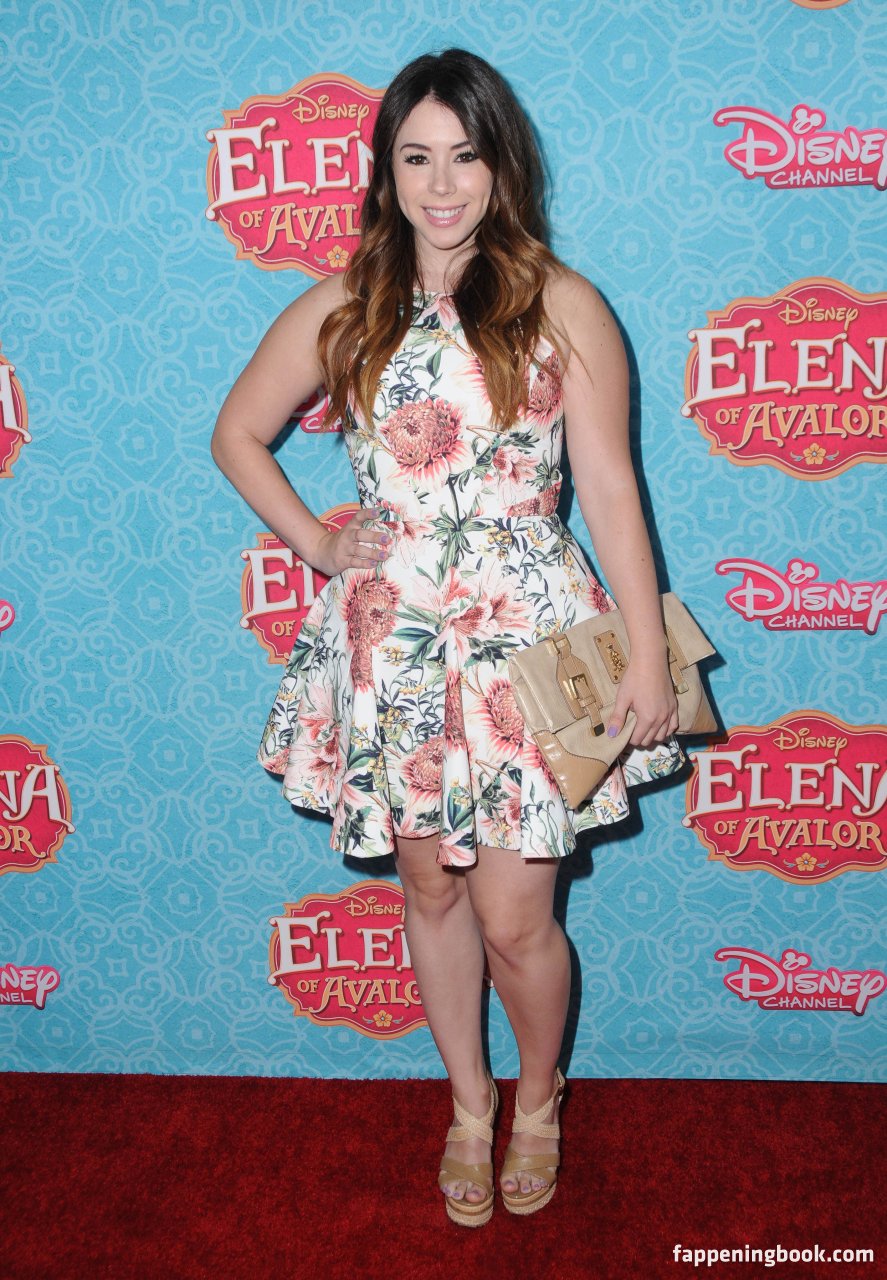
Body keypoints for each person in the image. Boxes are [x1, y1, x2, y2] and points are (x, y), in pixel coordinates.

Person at [211, 48, 684, 1227]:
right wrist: (320, 543)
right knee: (428, 889)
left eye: (463, 156)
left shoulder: (559, 301)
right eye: (415, 157)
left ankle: (538, 1099)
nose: (439, 184)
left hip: (527, 638)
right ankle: (468, 1104)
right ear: (384, 172)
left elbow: (609, 486)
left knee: (517, 916)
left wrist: (642, 651)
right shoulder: (346, 303)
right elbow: (236, 433)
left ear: (499, 165)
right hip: (395, 644)